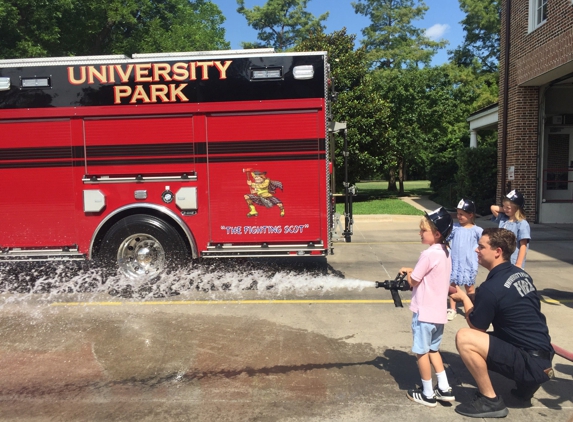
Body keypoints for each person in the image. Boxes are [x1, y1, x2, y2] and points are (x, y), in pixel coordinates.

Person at [451, 228, 554, 418]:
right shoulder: (520, 274)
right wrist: (474, 297)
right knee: (511, 333)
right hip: (544, 356)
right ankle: (526, 387)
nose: (476, 250)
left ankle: (490, 401)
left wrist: (464, 299)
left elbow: (477, 326)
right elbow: (505, 305)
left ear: (497, 251)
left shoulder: (491, 288)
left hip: (530, 364)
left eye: (481, 246)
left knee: (465, 338)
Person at [400, 207, 456, 407]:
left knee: (421, 352)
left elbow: (414, 281)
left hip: (424, 313)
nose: (420, 233)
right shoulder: (445, 252)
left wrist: (408, 273)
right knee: (434, 350)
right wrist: (413, 271)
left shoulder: (428, 254)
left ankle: (427, 393)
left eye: (423, 230)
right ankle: (444, 387)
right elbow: (431, 275)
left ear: (437, 233)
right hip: (438, 313)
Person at [447, 199, 483, 321]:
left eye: (461, 214)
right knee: (452, 286)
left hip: (468, 264)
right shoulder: (455, 228)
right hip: (455, 262)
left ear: (470, 215)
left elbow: (484, 243)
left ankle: (471, 308)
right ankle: (452, 309)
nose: (459, 216)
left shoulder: (477, 230)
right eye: (457, 214)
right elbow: (445, 238)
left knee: (470, 288)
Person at [490, 190, 530, 268]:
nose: (505, 209)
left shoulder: (522, 224)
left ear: (517, 208)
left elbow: (523, 245)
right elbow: (493, 208)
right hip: (500, 260)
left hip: (513, 261)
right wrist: (505, 208)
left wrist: (518, 264)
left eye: (508, 208)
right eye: (503, 206)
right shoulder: (503, 219)